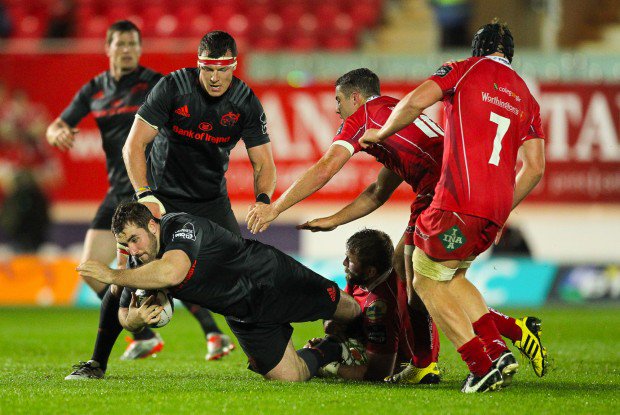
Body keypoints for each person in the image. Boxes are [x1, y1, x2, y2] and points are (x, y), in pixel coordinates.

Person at [248, 67, 547, 384]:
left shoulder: (363, 118)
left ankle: (448, 359)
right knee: (417, 276)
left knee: (428, 281)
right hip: (450, 191)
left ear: (355, 97)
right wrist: (334, 220)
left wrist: (275, 208)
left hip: (443, 194)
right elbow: (378, 192)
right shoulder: (393, 114)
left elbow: (325, 168)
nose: (336, 108)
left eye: (338, 100)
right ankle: (483, 341)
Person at [358, 20, 547, 392]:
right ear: (510, 55)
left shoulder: (463, 68)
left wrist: (380, 134)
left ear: (478, 49)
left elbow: (414, 100)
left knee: (424, 278)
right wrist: (501, 206)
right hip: (494, 210)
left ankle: (480, 366)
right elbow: (535, 167)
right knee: (454, 276)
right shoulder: (526, 95)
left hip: (458, 199)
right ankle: (498, 349)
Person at [46, 21, 231, 381]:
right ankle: (149, 331)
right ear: (108, 47)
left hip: (146, 190)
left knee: (138, 275)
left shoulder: (157, 84)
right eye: (121, 44)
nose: (128, 50)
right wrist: (58, 133)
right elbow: (58, 124)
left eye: (134, 44)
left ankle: (103, 359)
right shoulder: (94, 89)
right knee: (92, 267)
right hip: (115, 190)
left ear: (140, 49)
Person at [77, 202, 362, 381]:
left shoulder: (181, 227)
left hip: (271, 278)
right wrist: (136, 320)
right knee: (289, 376)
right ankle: (331, 348)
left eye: (135, 240)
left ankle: (386, 343)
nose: (134, 250)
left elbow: (173, 270)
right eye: (126, 245)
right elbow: (124, 314)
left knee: (351, 310)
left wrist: (112, 274)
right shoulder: (140, 265)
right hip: (242, 314)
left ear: (152, 226)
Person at [122, 28, 276, 359]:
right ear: (198, 65)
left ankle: (264, 354)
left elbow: (264, 164)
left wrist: (263, 201)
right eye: (209, 69)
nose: (216, 77)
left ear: (234, 66)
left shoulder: (246, 103)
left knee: (241, 274)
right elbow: (134, 144)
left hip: (211, 201)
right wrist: (144, 194)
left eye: (223, 69)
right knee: (133, 278)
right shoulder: (172, 87)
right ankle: (99, 357)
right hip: (163, 198)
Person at [313, 229, 440, 383]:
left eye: (350, 260)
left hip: (403, 363)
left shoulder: (381, 308)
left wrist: (328, 367)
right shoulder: (361, 279)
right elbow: (343, 310)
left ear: (370, 271)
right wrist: (331, 326)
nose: (344, 263)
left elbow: (378, 373)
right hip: (381, 343)